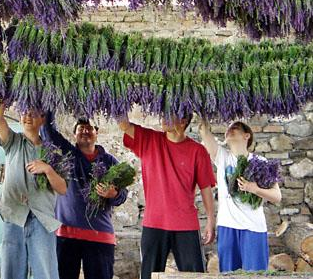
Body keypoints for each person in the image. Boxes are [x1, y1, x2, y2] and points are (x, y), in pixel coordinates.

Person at [118, 114, 216, 279]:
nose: (163, 118)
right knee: (149, 275)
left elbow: (206, 188)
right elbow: (124, 125)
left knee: (196, 276)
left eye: (170, 114)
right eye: (162, 113)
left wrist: (211, 221)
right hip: (154, 222)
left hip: (186, 224)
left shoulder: (197, 151)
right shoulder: (149, 140)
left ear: (184, 121)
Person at [41, 112, 128, 279]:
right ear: (74, 135)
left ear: (97, 133)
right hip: (67, 235)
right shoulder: (68, 155)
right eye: (81, 129)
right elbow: (48, 133)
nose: (85, 132)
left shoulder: (110, 162)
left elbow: (123, 195)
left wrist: (113, 193)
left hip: (100, 236)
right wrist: (49, 103)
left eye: (90, 128)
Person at [0, 104, 68, 279]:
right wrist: (3, 100)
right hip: (15, 215)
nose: (27, 117)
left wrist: (48, 169)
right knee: (11, 273)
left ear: (42, 119)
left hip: (42, 219)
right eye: (24, 113)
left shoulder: (53, 152)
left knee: (46, 273)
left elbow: (63, 188)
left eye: (33, 114)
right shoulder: (13, 141)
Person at [199, 119, 282, 272]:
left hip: (253, 228)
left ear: (246, 136)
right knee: (229, 274)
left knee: (256, 274)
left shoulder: (261, 162)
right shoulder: (222, 157)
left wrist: (255, 189)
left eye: (235, 127)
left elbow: (277, 196)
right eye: (228, 128)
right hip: (227, 227)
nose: (230, 129)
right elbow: (204, 131)